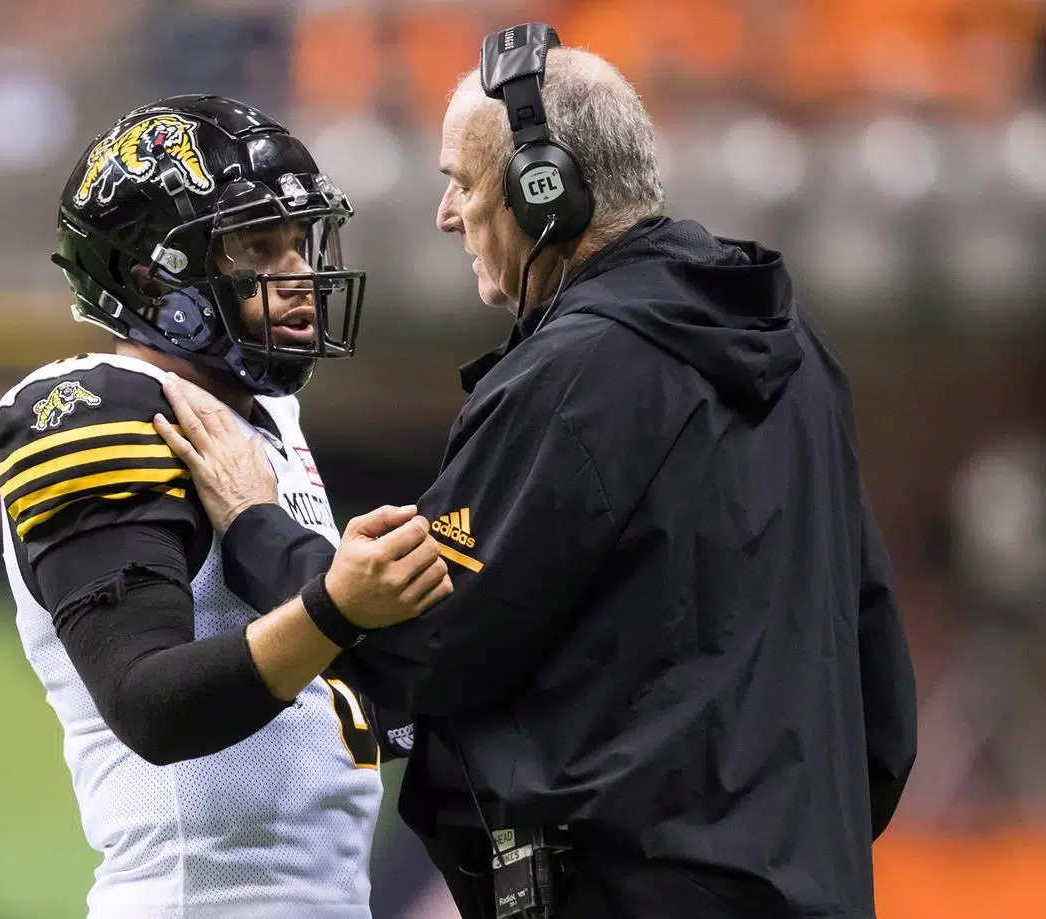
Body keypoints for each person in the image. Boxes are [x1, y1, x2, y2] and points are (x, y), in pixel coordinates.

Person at [151, 26, 918, 919]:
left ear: (542, 189)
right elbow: (880, 700)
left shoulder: (581, 371)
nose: (447, 215)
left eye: (462, 182)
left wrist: (256, 524)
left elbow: (411, 631)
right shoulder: (798, 349)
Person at [0, 94, 452, 919]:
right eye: (254, 247)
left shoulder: (263, 421)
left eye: (299, 240)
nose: (299, 273)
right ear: (151, 279)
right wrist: (338, 607)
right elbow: (150, 703)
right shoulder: (95, 407)